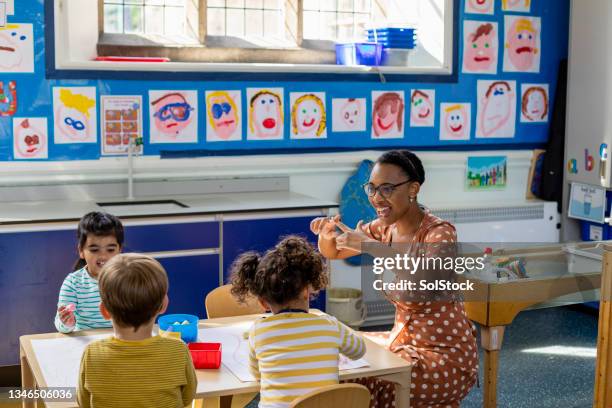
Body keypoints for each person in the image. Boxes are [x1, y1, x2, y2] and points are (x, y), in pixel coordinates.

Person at [310, 150, 478, 408]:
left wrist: (370, 246)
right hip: (402, 342)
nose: (377, 198)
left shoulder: (439, 233)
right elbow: (333, 251)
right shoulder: (384, 227)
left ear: (413, 189)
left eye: (387, 189)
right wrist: (326, 233)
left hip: (445, 359)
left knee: (367, 382)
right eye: (372, 189)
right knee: (334, 359)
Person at [230, 235, 366, 408]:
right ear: (306, 291)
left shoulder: (259, 331)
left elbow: (257, 375)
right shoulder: (330, 325)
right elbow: (359, 351)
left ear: (263, 302)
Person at [77, 253, 197, 408]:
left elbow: (84, 403)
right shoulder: (178, 350)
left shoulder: (91, 353)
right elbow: (188, 397)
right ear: (163, 305)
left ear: (104, 311)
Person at [54, 212, 124, 333]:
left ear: (119, 250)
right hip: (86, 344)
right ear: (81, 251)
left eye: (110, 249)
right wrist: (67, 323)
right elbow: (61, 326)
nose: (103, 256)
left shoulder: (128, 278)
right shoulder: (73, 283)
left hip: (120, 341)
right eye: (94, 249)